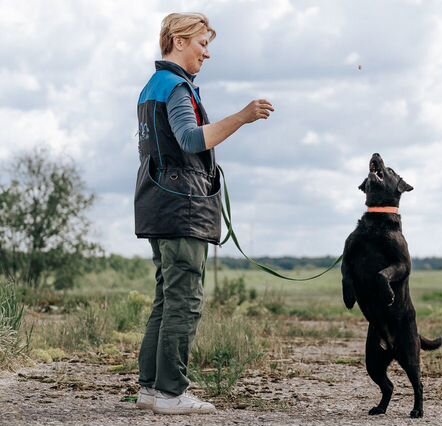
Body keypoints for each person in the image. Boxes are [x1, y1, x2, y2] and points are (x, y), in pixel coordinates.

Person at [133, 12, 274, 415]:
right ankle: (172, 394)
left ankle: (150, 390)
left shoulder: (151, 88)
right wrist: (243, 117)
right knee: (184, 301)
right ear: (179, 41)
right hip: (181, 209)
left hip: (157, 205)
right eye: (202, 44)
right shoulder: (176, 87)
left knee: (166, 298)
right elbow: (192, 139)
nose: (207, 54)